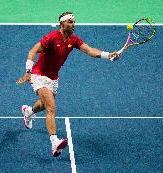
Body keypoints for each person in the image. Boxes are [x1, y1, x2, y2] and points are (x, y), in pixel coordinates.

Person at [16, 11, 119, 157]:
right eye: (70, 21)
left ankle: (29, 111)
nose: (73, 24)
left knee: (45, 104)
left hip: (53, 77)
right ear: (61, 24)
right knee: (51, 107)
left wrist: (108, 55)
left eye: (74, 22)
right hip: (39, 74)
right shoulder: (51, 38)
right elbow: (33, 50)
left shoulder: (74, 40)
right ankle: (54, 142)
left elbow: (91, 51)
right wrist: (28, 71)